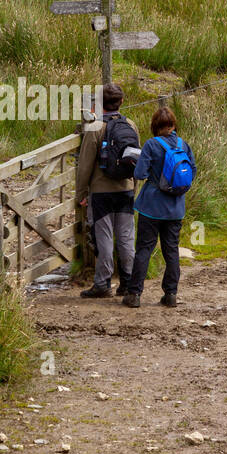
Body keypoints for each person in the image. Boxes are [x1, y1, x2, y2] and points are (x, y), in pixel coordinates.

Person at [123, 106, 195, 309]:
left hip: (151, 207)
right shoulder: (183, 145)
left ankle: (134, 294)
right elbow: (193, 170)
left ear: (154, 126)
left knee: (144, 249)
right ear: (173, 124)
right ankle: (171, 294)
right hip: (175, 208)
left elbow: (140, 174)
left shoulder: (151, 145)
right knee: (171, 251)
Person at [75, 83, 140, 299]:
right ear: (121, 102)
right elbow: (136, 160)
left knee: (103, 237)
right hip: (126, 189)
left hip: (101, 191)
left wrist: (81, 194)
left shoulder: (95, 128)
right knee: (126, 237)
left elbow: (84, 165)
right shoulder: (130, 125)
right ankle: (128, 282)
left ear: (99, 103)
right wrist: (134, 187)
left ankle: (103, 283)